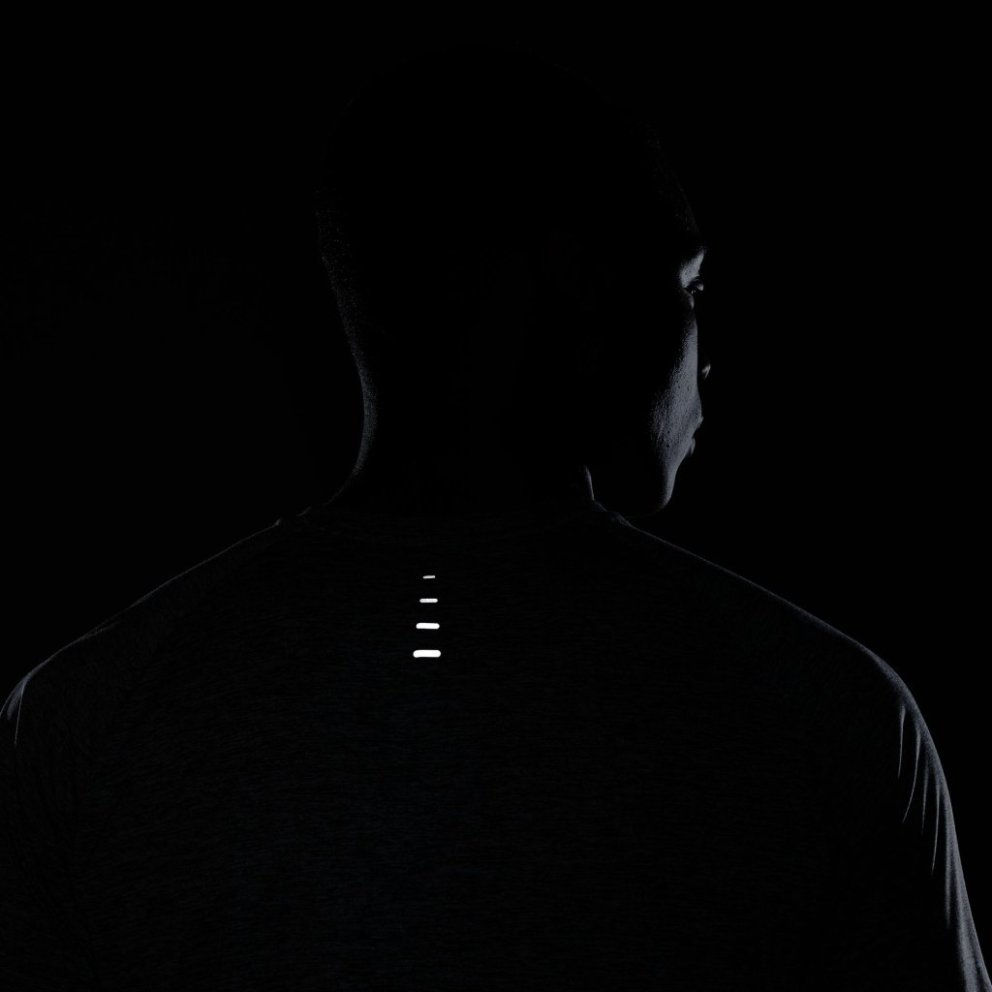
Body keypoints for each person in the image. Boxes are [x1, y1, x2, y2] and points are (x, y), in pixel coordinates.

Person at [1, 41, 988, 991]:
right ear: (580, 280)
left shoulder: (84, 722)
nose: (706, 353)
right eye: (689, 286)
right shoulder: (825, 718)